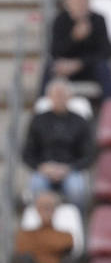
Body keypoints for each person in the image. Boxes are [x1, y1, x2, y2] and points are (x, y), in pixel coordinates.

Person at [22, 79, 94, 210]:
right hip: (44, 169)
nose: (59, 99)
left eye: (63, 95)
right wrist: (41, 167)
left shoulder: (80, 121)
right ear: (49, 97)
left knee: (76, 189)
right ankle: (39, 225)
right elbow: (27, 153)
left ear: (69, 97)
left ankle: (77, 222)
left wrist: (69, 168)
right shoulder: (38, 120)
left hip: (71, 170)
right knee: (37, 186)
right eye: (56, 95)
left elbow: (89, 155)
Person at [44, 0, 111, 97]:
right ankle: (43, 108)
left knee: (104, 68)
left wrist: (80, 63)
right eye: (77, 1)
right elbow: (55, 51)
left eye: (84, 1)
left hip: (89, 68)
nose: (81, 4)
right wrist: (74, 38)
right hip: (66, 69)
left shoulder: (98, 20)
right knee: (49, 68)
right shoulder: (60, 20)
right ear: (68, 3)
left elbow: (106, 52)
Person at [15, 190, 76, 263]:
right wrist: (53, 249)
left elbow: (68, 243)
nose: (46, 211)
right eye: (43, 207)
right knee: (25, 260)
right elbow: (22, 247)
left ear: (55, 210)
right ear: (37, 210)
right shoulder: (26, 234)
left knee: (69, 260)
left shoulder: (65, 235)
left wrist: (39, 247)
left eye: (50, 207)